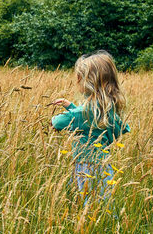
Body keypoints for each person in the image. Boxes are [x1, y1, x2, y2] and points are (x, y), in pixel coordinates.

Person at [51, 50, 130, 205]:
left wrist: (66, 113)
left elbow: (57, 122)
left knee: (88, 205)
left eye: (79, 78)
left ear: (87, 81)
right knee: (104, 204)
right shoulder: (108, 109)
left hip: (86, 167)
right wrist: (71, 106)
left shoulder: (84, 112)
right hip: (104, 166)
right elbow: (122, 129)